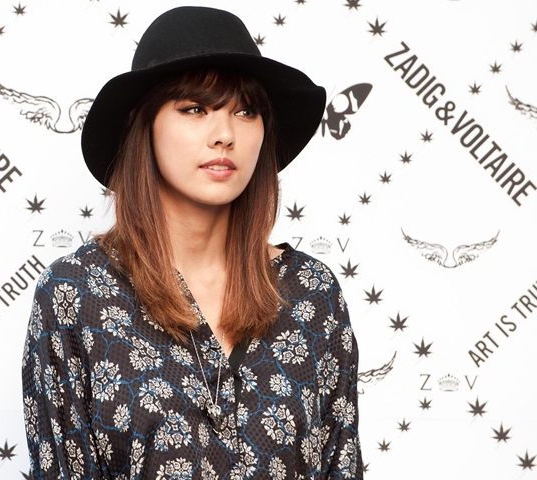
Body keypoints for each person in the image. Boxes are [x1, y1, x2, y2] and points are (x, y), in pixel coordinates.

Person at [22, 6, 363, 479]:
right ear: (144, 124)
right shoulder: (75, 294)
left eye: (246, 111)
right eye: (195, 109)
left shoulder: (311, 293)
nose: (224, 135)